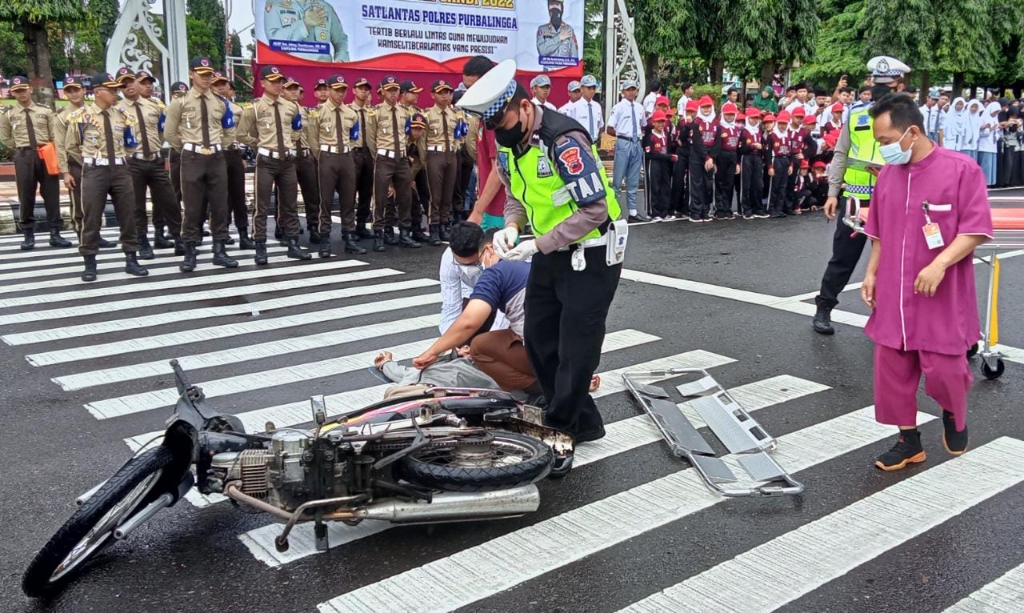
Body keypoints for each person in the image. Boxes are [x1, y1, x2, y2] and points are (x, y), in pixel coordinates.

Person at [457, 59, 625, 452]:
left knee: (576, 347)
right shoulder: (508, 140)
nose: (499, 133)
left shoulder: (563, 141)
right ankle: (577, 417)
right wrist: (512, 227)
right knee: (537, 335)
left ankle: (562, 425)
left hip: (593, 250)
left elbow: (595, 210)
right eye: (493, 127)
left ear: (525, 107)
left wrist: (539, 243)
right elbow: (516, 192)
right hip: (549, 246)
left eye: (503, 123)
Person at [861, 93, 992, 471]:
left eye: (886, 141)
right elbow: (880, 232)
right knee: (892, 372)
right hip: (893, 292)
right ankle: (908, 440)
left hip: (940, 292)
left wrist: (940, 263)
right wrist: (870, 273)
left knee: (946, 369)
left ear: (912, 132)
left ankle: (953, 410)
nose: (882, 149)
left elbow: (975, 229)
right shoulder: (888, 174)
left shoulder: (961, 170)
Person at [811, 55, 910, 335]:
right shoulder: (855, 113)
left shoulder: (907, 118)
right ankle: (824, 307)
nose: (879, 89)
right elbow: (841, 153)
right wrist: (832, 193)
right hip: (855, 198)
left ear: (898, 86)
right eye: (875, 83)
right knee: (842, 257)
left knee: (892, 260)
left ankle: (887, 315)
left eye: (886, 85)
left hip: (893, 199)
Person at [415, 230, 536, 394]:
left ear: (489, 250)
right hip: (572, 346)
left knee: (480, 346)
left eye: (478, 262)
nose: (477, 268)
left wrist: (432, 352)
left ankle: (540, 389)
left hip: (548, 352)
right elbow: (451, 305)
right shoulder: (531, 262)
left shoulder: (495, 273)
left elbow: (469, 322)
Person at [60, 73, 149, 282]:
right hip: (95, 170)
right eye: (111, 90)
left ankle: (131, 258)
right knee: (91, 216)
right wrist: (90, 163)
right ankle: (89, 262)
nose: (116, 93)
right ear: (98, 92)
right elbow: (72, 146)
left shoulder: (122, 115)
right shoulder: (81, 116)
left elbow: (130, 143)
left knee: (128, 214)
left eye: (116, 90)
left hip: (120, 169)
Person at [165, 57, 239, 272]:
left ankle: (219, 250)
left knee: (219, 205)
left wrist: (218, 146)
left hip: (216, 157)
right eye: (201, 74)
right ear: (191, 74)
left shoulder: (220, 102)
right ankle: (189, 252)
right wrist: (188, 149)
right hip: (193, 157)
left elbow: (228, 130)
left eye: (209, 74)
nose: (206, 78)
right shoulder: (180, 102)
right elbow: (170, 133)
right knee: (192, 206)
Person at [236, 65, 310, 265]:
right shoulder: (255, 109)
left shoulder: (291, 107)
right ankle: (260, 245)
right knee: (262, 205)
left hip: (286, 160)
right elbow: (241, 133)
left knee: (290, 204)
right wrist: (258, 143)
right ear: (262, 83)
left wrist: (290, 140)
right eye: (272, 81)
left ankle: (293, 244)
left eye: (279, 81)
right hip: (266, 160)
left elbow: (297, 129)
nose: (277, 85)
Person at [0, 75, 71, 251]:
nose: (21, 94)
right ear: (12, 93)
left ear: (30, 89)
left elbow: (54, 135)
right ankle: (28, 235)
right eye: (17, 91)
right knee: (26, 195)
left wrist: (53, 151)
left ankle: (55, 233)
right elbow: (5, 137)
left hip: (46, 153)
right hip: (24, 156)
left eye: (23, 89)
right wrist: (19, 148)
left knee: (52, 193)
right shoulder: (8, 114)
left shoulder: (45, 111)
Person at [119, 67, 181, 260]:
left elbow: (162, 131)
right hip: (133, 161)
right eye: (125, 83)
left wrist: (157, 149)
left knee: (169, 199)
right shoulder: (117, 109)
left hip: (154, 160)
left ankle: (178, 238)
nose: (131, 86)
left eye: (134, 82)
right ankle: (142, 241)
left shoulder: (154, 106)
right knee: (136, 205)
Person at [308, 73, 365, 257]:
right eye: (337, 90)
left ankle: (349, 237)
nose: (340, 94)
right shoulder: (318, 112)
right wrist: (322, 157)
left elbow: (355, 137)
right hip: (328, 156)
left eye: (343, 90)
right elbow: (312, 139)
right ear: (330, 90)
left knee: (348, 199)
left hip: (346, 156)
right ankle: (325, 239)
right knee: (325, 200)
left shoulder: (351, 113)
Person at [55, 76, 115, 250]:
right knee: (80, 203)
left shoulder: (94, 111)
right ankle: (83, 236)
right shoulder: (62, 116)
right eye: (69, 90)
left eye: (76, 89)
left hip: (98, 163)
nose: (74, 94)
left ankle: (95, 234)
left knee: (97, 201)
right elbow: (60, 145)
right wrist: (65, 172)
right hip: (77, 163)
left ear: (84, 90)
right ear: (65, 93)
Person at [366, 75, 420, 250]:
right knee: (381, 197)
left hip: (402, 158)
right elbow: (370, 138)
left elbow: (409, 135)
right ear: (382, 91)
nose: (393, 94)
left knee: (405, 196)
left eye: (395, 90)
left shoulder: (405, 112)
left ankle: (405, 233)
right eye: (389, 90)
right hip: (384, 157)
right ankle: (379, 234)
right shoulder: (375, 112)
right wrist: (379, 156)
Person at [462, 57, 508, 232]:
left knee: (495, 257)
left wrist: (478, 210)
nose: (468, 93)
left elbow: (498, 169)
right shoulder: (485, 114)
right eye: (466, 88)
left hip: (498, 208)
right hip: (490, 204)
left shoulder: (495, 119)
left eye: (472, 87)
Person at [440, 222, 509, 334]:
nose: (469, 268)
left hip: (513, 303)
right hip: (475, 296)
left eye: (475, 262)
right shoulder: (449, 259)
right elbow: (450, 306)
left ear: (485, 250)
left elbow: (505, 314)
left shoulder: (500, 257)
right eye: (462, 264)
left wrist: (489, 341)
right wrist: (453, 340)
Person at [212, 73, 254, 250]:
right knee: (219, 198)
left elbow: (243, 133)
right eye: (216, 85)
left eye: (224, 85)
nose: (220, 88)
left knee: (238, 196)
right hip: (216, 153)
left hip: (233, 153)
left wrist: (244, 155)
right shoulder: (207, 107)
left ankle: (243, 235)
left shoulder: (237, 109)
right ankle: (221, 235)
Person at [424, 79, 461, 245]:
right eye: (441, 93)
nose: (445, 96)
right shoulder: (427, 115)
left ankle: (444, 225)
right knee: (435, 195)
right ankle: (433, 227)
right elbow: (421, 141)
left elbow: (460, 135)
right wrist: (425, 158)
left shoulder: (455, 115)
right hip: (434, 155)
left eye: (447, 92)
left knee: (448, 193)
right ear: (433, 95)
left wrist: (456, 147)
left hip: (450, 155)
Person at [607, 80, 647, 221]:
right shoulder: (618, 107)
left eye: (633, 89)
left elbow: (643, 125)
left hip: (636, 142)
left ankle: (632, 212)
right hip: (624, 142)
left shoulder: (639, 107)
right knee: (618, 179)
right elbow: (609, 128)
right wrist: (621, 134)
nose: (631, 92)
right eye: (628, 90)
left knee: (633, 179)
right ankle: (615, 211)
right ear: (623, 92)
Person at [348, 76, 376, 240]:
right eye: (361, 88)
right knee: (350, 191)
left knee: (366, 191)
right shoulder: (348, 110)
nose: (364, 92)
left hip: (369, 153)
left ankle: (361, 225)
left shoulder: (372, 112)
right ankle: (350, 227)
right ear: (354, 91)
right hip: (354, 152)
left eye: (366, 89)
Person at [686, 95, 718, 223]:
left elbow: (718, 142)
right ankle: (695, 211)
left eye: (708, 107)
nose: (706, 109)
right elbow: (697, 141)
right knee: (696, 183)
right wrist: (705, 157)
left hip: (710, 157)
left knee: (708, 184)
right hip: (697, 155)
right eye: (703, 107)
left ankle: (706, 210)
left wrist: (711, 158)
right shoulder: (696, 123)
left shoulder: (716, 122)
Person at [642, 110, 675, 221]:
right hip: (654, 163)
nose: (661, 124)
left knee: (665, 186)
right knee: (654, 187)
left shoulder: (666, 136)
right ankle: (653, 212)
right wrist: (667, 157)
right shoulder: (650, 137)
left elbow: (668, 149)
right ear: (653, 123)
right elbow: (650, 154)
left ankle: (663, 212)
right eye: (658, 122)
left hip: (664, 163)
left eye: (662, 122)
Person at [714, 102, 741, 220]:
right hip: (721, 155)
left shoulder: (737, 128)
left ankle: (727, 207)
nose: (729, 117)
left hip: (733, 155)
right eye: (727, 115)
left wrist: (738, 163)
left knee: (729, 183)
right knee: (720, 182)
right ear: (723, 114)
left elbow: (738, 147)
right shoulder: (719, 127)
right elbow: (716, 145)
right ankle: (719, 208)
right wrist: (714, 160)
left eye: (732, 115)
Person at [738, 108, 765, 219]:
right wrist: (752, 146)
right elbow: (740, 149)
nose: (754, 121)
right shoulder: (744, 132)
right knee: (746, 184)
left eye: (756, 118)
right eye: (752, 118)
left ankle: (757, 208)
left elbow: (764, 146)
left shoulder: (759, 131)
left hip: (757, 157)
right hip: (747, 157)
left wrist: (761, 147)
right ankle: (746, 208)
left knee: (757, 183)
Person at [671, 100, 696, 219]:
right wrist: (687, 126)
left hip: (693, 153)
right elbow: (679, 140)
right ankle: (676, 207)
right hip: (681, 153)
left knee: (691, 181)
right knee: (678, 180)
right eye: (689, 111)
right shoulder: (681, 124)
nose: (691, 113)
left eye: (693, 111)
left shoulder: (698, 123)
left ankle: (687, 207)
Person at [572, 74, 603, 143]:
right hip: (580, 142)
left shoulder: (597, 106)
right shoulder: (575, 107)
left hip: (594, 142)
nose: (592, 91)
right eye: (589, 88)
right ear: (581, 89)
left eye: (594, 88)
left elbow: (600, 126)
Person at [977, 101, 1000, 186]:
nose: (996, 113)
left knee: (991, 164)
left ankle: (989, 182)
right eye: (995, 111)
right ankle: (983, 182)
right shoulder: (983, 118)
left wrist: (997, 131)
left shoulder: (995, 119)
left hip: (993, 145)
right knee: (985, 164)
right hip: (984, 145)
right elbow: (979, 133)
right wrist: (989, 130)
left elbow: (997, 133)